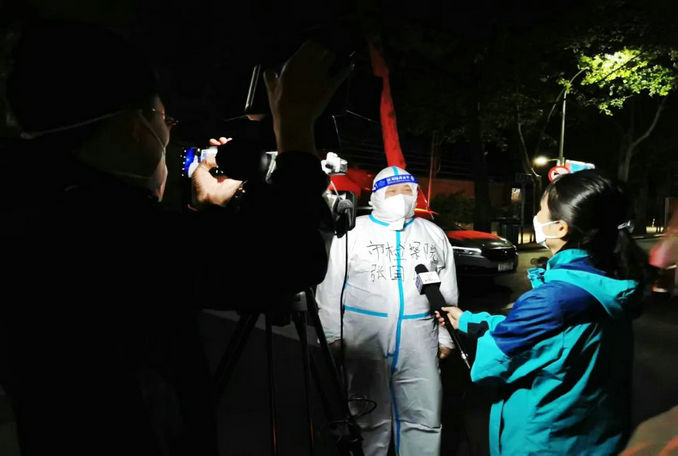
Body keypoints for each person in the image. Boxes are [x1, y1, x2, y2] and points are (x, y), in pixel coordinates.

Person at [0, 19, 350, 456]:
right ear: (134, 127)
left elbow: (171, 269)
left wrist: (203, 212)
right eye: (163, 118)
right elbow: (289, 258)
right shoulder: (101, 229)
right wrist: (296, 131)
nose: (167, 132)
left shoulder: (43, 213)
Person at [437, 169, 648, 455]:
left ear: (560, 228)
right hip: (593, 435)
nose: (536, 216)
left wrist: (475, 339)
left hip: (544, 441)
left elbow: (493, 363)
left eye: (540, 210)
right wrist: (468, 321)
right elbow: (548, 338)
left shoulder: (552, 299)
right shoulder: (606, 277)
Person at [316, 166, 458, 456]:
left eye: (407, 190)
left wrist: (446, 337)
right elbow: (330, 288)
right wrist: (332, 336)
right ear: (377, 196)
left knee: (423, 413)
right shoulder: (352, 232)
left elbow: (447, 290)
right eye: (392, 191)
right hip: (364, 338)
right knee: (366, 413)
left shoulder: (432, 233)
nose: (401, 197)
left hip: (419, 338)